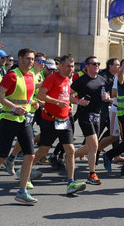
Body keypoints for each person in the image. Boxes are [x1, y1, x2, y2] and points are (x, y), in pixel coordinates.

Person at [0, 48, 40, 204]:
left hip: (24, 120)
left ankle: (22, 191)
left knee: (30, 155)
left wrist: (33, 103)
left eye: (33, 59)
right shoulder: (12, 75)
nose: (31, 62)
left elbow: (26, 98)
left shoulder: (31, 76)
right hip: (8, 119)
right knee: (1, 156)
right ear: (20, 59)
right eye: (28, 58)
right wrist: (14, 107)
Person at [31, 55, 86, 195]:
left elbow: (66, 97)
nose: (71, 69)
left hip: (64, 120)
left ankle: (70, 182)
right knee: (43, 150)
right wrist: (56, 102)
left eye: (72, 66)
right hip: (50, 120)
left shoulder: (68, 79)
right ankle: (25, 170)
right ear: (60, 66)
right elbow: (40, 96)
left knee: (71, 150)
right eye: (68, 66)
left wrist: (78, 102)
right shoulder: (52, 78)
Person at [70, 56, 111, 185]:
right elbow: (67, 95)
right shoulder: (81, 81)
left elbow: (108, 94)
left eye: (98, 63)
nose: (97, 66)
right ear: (86, 66)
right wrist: (78, 101)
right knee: (94, 145)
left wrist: (107, 97)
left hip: (97, 115)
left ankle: (70, 157)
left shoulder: (102, 80)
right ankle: (92, 174)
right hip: (84, 114)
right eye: (93, 64)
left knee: (90, 147)